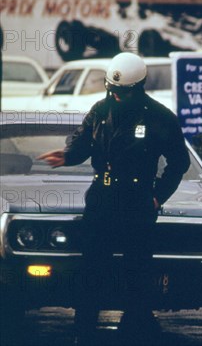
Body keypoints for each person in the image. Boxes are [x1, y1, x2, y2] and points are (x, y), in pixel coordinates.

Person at [37, 52, 190, 343]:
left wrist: (158, 196)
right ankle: (84, 332)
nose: (116, 96)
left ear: (138, 87)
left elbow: (179, 163)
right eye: (112, 89)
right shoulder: (100, 110)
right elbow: (81, 141)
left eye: (122, 92)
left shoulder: (159, 117)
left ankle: (134, 328)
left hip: (137, 203)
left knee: (137, 272)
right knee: (92, 269)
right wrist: (68, 155)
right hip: (102, 201)